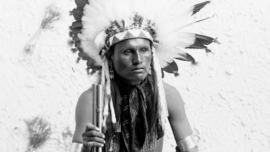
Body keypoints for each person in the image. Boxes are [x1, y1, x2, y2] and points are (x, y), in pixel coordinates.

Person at [69, 0, 215, 151]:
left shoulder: (167, 95)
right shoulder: (92, 100)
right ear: (110, 56)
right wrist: (86, 148)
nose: (138, 60)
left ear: (152, 53)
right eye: (128, 51)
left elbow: (190, 149)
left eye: (144, 50)